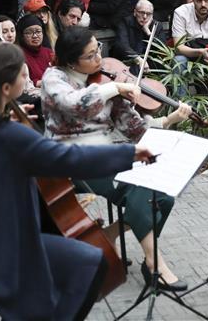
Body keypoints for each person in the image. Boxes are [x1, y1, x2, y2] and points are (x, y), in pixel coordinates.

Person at [0, 42, 153, 321]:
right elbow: (69, 159)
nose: (28, 77)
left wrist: (4, 116)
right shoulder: (10, 136)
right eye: (22, 75)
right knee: (91, 262)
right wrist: (129, 153)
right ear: (6, 89)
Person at [40, 27, 191, 291]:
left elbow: (135, 129)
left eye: (98, 49)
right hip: (71, 160)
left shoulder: (106, 82)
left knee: (163, 193)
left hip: (106, 155)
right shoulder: (55, 78)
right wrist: (114, 87)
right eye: (90, 55)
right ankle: (154, 264)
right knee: (139, 189)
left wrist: (169, 119)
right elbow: (74, 104)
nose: (99, 58)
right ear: (71, 61)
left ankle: (108, 236)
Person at [113, 0, 165, 65]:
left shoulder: (157, 26)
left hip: (150, 65)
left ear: (152, 15)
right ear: (135, 12)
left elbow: (162, 48)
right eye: (142, 12)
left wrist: (149, 33)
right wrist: (137, 58)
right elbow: (122, 45)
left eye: (148, 14)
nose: (145, 17)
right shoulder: (125, 22)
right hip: (129, 63)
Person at [17, 14, 52, 86]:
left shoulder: (49, 53)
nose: (35, 36)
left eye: (38, 31)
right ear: (22, 36)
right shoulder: (19, 55)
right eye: (29, 32)